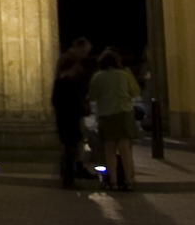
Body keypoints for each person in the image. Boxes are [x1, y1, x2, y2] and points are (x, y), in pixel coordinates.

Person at [87, 47, 140, 190]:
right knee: (125, 149)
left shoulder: (97, 76)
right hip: (124, 113)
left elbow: (92, 95)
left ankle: (113, 182)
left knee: (109, 150)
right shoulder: (124, 74)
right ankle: (129, 181)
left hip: (106, 114)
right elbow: (135, 92)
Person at [51, 38, 94, 189]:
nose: (84, 56)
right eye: (84, 52)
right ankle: (68, 178)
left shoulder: (65, 80)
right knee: (70, 149)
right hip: (69, 119)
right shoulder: (66, 80)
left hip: (69, 118)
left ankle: (74, 171)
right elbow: (61, 101)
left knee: (72, 147)